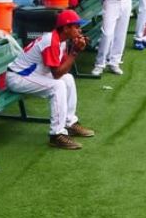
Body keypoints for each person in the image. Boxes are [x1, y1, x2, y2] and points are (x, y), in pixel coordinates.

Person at [6, 9, 95, 149]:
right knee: (58, 85)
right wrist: (75, 52)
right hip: (18, 77)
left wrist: (74, 49)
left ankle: (69, 123)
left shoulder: (62, 41)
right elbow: (56, 74)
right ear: (66, 28)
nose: (80, 29)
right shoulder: (51, 41)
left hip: (33, 74)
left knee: (68, 79)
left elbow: (63, 68)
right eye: (76, 26)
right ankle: (57, 135)